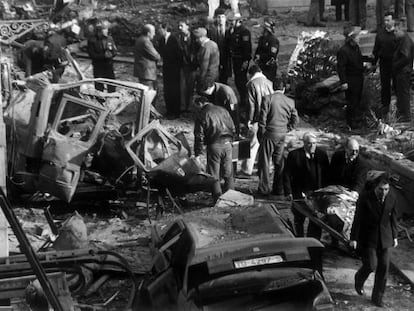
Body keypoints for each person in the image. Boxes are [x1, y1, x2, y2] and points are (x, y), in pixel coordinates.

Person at [350, 172, 398, 307]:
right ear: (375, 187)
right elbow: (357, 219)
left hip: (385, 237)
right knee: (371, 265)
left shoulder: (392, 196)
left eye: (386, 189)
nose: (384, 193)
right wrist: (354, 238)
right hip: (368, 237)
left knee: (384, 267)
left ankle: (377, 298)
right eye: (381, 190)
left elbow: (393, 218)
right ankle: (359, 278)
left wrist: (394, 236)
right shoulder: (365, 198)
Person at [284, 132, 330, 238]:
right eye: (309, 143)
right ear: (304, 143)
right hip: (299, 192)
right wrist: (288, 192)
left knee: (316, 220)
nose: (312, 146)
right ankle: (299, 240)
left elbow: (326, 174)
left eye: (314, 143)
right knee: (299, 218)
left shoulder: (321, 155)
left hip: (317, 193)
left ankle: (313, 244)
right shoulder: (294, 155)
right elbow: (286, 174)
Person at [257, 85, 298, 196]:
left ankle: (264, 189)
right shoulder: (290, 101)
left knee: (264, 162)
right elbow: (295, 119)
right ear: (283, 88)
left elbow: (262, 119)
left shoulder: (267, 98)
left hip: (269, 133)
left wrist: (261, 133)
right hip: (282, 133)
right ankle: (278, 189)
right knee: (279, 162)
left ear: (272, 87)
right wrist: (287, 129)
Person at [193, 96, 236, 202]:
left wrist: (198, 153)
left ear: (200, 103)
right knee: (228, 171)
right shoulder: (223, 110)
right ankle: (232, 197)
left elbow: (199, 136)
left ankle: (217, 198)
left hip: (214, 145)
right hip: (228, 143)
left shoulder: (202, 114)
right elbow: (233, 127)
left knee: (214, 173)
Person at [240, 64, 274, 176]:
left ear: (251, 74)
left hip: (257, 118)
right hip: (269, 117)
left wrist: (249, 119)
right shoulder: (269, 83)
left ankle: (246, 169)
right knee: (266, 144)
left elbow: (251, 105)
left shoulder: (251, 84)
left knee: (252, 143)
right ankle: (265, 168)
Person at [337, 25, 365, 129]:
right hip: (350, 79)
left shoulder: (356, 47)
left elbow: (358, 59)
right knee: (351, 101)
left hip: (358, 77)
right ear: (352, 38)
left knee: (357, 99)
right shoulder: (344, 51)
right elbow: (341, 67)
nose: (359, 38)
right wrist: (343, 82)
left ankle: (356, 118)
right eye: (357, 36)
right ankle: (351, 122)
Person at [372, 12, 397, 119]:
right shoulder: (380, 34)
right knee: (385, 85)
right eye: (385, 20)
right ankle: (385, 107)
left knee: (397, 85)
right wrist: (374, 63)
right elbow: (376, 49)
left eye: (388, 20)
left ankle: (397, 106)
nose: (386, 22)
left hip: (396, 63)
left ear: (393, 21)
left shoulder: (398, 34)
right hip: (384, 63)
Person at [227, 13, 252, 110]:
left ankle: (245, 101)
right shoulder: (232, 31)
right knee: (237, 80)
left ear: (238, 21)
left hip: (242, 59)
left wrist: (246, 61)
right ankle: (243, 99)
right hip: (235, 59)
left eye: (232, 21)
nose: (230, 23)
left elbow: (247, 48)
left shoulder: (244, 32)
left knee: (241, 80)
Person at [158, 23, 182, 118]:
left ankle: (175, 112)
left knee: (174, 90)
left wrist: (177, 68)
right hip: (166, 68)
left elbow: (179, 55)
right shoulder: (161, 40)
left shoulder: (174, 39)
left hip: (174, 69)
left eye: (159, 29)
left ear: (165, 29)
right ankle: (169, 110)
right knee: (167, 90)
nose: (158, 31)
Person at [87, 20, 118, 92]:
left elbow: (114, 50)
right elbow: (91, 54)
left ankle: (111, 99)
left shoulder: (109, 38)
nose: (107, 31)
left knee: (111, 84)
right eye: (105, 29)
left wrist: (112, 54)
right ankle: (99, 100)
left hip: (109, 65)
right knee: (99, 86)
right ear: (100, 31)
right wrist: (103, 56)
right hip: (98, 66)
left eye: (107, 29)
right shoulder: (92, 40)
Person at [392, 26, 414, 121]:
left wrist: (395, 65)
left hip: (403, 71)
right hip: (402, 70)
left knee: (403, 93)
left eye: (396, 31)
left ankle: (405, 115)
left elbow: (405, 57)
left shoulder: (406, 41)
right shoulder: (402, 40)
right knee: (401, 93)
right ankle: (402, 113)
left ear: (401, 30)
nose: (394, 33)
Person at [177, 19, 198, 113]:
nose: (179, 28)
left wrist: (196, 64)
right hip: (182, 66)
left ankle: (189, 106)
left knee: (191, 86)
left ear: (187, 26)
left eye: (182, 26)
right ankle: (182, 106)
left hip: (192, 66)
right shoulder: (178, 37)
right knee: (182, 87)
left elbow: (197, 52)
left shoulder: (194, 37)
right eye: (179, 26)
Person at [133, 24, 161, 90]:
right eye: (153, 32)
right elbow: (156, 56)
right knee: (149, 94)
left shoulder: (139, 39)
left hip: (143, 72)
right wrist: (158, 55)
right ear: (148, 33)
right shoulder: (146, 42)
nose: (154, 34)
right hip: (147, 74)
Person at [208, 8, 232, 84]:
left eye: (222, 17)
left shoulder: (230, 28)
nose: (220, 19)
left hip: (227, 55)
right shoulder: (211, 29)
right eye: (218, 17)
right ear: (215, 18)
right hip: (215, 55)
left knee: (225, 76)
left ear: (225, 18)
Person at [193, 27, 220, 93]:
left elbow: (204, 64)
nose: (196, 40)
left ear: (202, 37)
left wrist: (201, 79)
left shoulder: (206, 47)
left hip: (208, 77)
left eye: (197, 38)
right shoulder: (213, 44)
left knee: (206, 96)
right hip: (215, 74)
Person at [254, 19, 279, 87]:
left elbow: (272, 54)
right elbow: (258, 49)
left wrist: (261, 57)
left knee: (268, 84)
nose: (261, 30)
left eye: (262, 28)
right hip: (261, 65)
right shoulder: (262, 39)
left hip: (269, 66)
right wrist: (255, 57)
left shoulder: (273, 40)